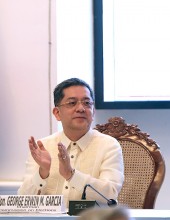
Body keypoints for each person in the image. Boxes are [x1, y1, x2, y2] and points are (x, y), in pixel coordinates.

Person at [18, 78, 124, 208]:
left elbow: (110, 194)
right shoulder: (42, 147)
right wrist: (43, 172)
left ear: (93, 111)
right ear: (57, 113)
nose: (81, 108)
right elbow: (23, 200)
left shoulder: (109, 146)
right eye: (72, 103)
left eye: (87, 103)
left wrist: (71, 175)